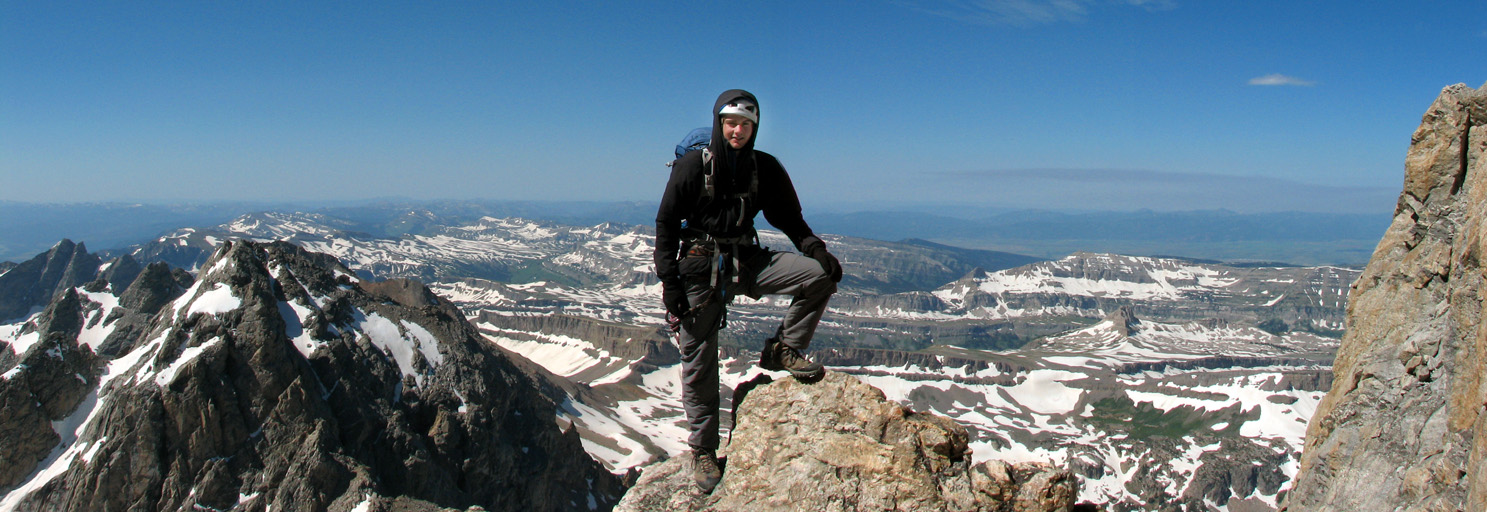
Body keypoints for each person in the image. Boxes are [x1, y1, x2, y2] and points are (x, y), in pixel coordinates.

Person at [654, 89, 843, 493]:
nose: (737, 130)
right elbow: (667, 224)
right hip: (700, 271)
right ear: (719, 125)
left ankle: (783, 349)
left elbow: (788, 216)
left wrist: (813, 248)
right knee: (700, 364)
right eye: (730, 123)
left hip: (746, 261)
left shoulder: (765, 168)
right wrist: (670, 283)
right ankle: (703, 451)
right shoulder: (692, 167)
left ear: (755, 128)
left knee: (817, 277)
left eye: (745, 124)